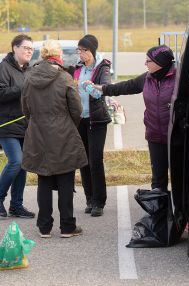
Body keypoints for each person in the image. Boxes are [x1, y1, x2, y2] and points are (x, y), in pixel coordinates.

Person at [21, 40, 88, 238]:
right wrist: (68, 124)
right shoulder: (64, 77)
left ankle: (44, 226)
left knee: (44, 178)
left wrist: (36, 122)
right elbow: (76, 109)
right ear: (58, 56)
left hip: (38, 132)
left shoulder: (29, 77)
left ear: (42, 56)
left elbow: (25, 108)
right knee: (66, 179)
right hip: (63, 133)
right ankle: (67, 226)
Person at [89, 45, 176, 192]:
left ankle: (178, 212)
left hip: (176, 138)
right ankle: (158, 212)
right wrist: (101, 88)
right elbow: (126, 86)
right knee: (158, 180)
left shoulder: (179, 78)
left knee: (179, 178)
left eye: (148, 61)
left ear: (159, 63)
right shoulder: (147, 78)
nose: (145, 64)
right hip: (154, 136)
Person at [0, 34, 35, 219]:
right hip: (5, 124)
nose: (29, 51)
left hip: (23, 125)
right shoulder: (4, 67)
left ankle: (16, 205)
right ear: (15, 48)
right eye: (25, 48)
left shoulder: (28, 70)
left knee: (23, 164)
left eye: (31, 49)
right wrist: (23, 88)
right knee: (16, 160)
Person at [73, 34, 112, 217]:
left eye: (85, 50)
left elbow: (102, 91)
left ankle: (99, 201)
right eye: (79, 50)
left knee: (95, 160)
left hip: (97, 119)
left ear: (93, 50)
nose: (81, 54)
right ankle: (89, 198)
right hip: (80, 118)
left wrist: (89, 87)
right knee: (84, 160)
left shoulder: (102, 67)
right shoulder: (78, 68)